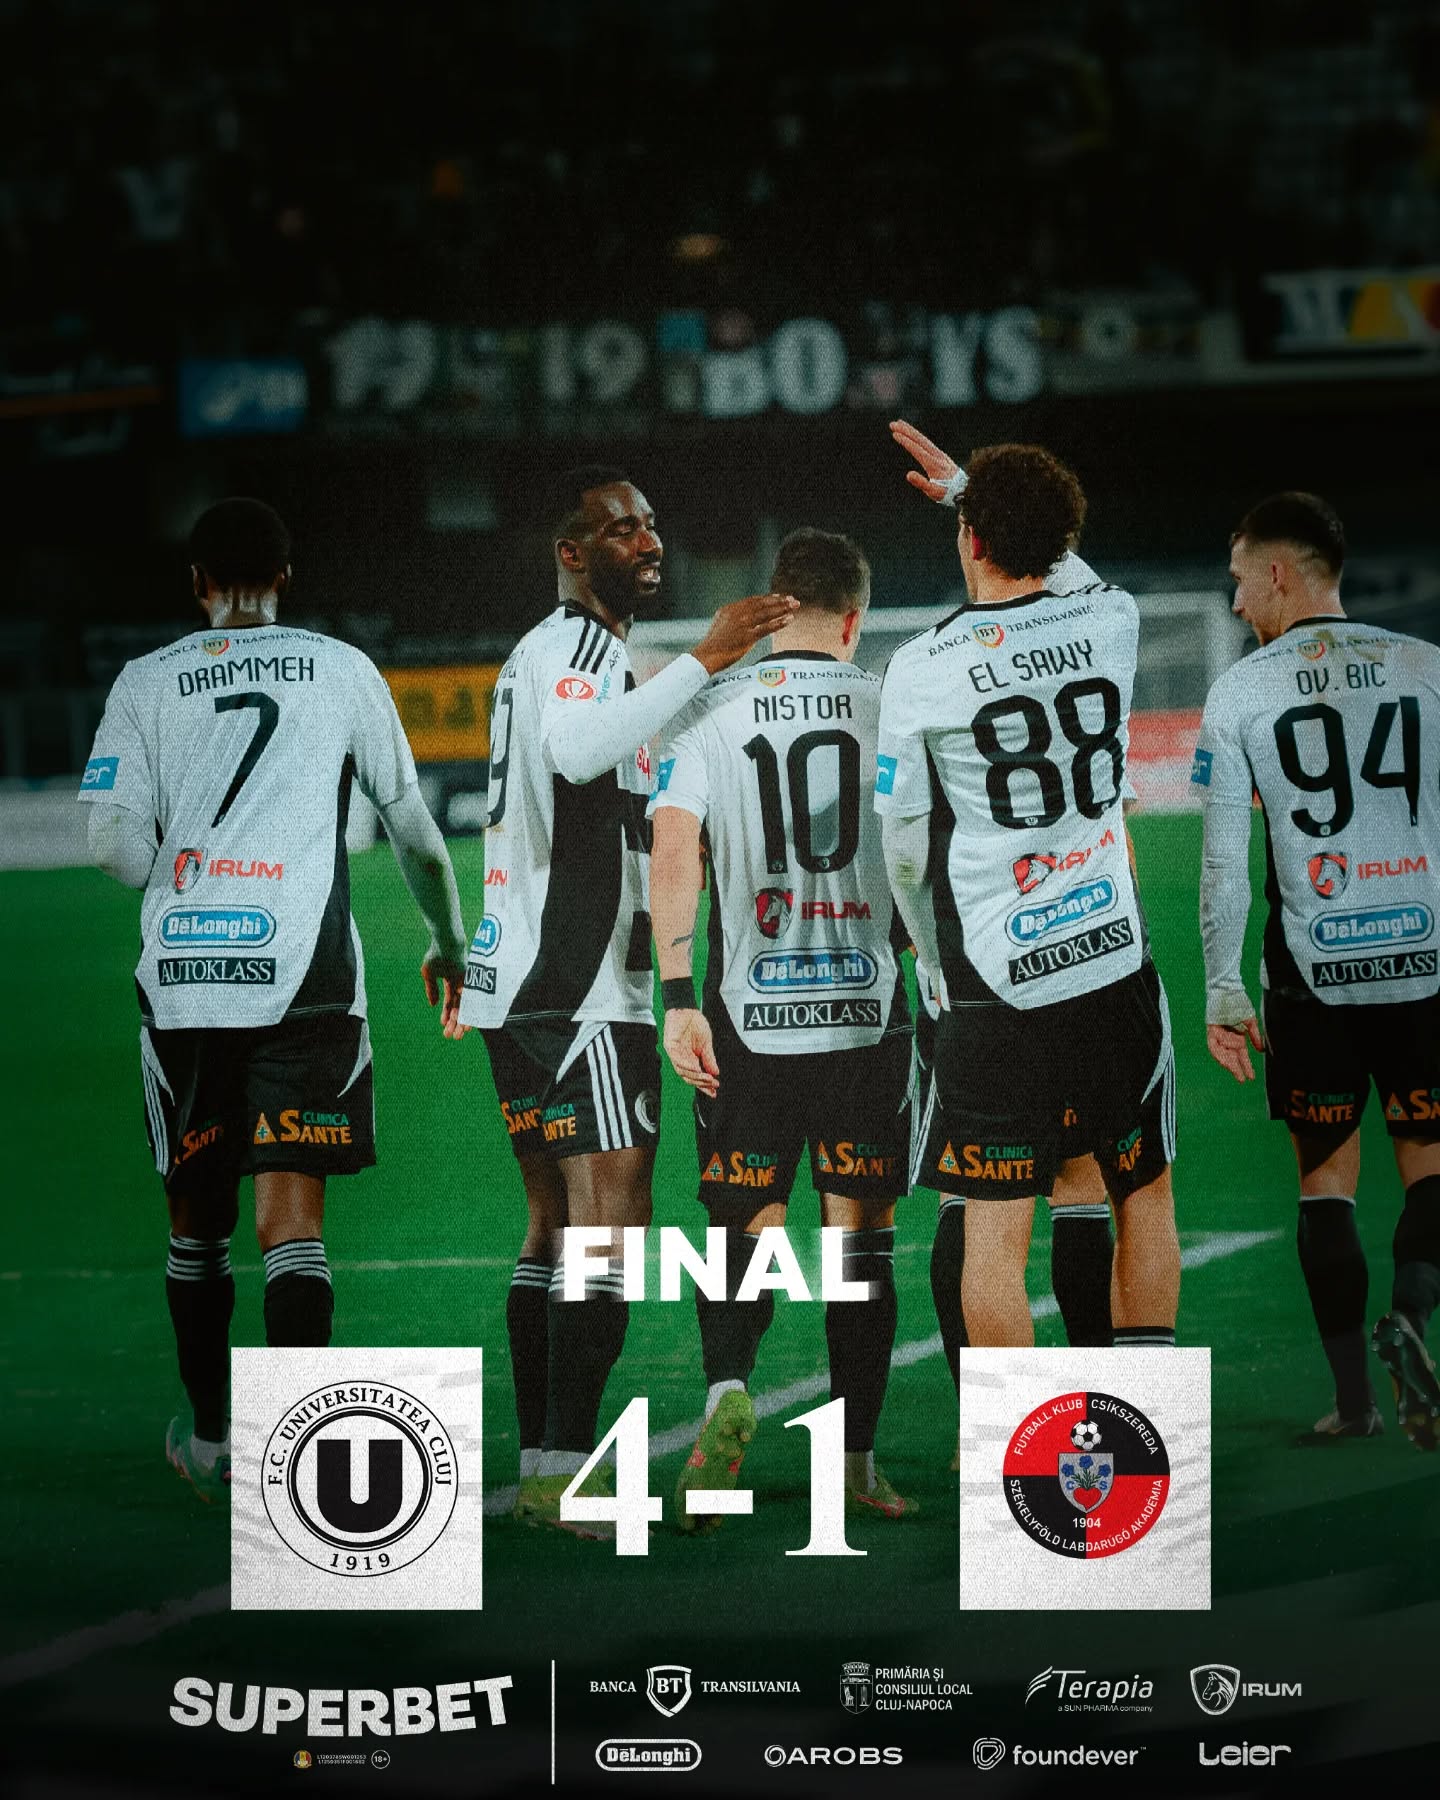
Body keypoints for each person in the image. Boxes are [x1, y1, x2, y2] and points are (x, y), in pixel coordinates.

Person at [79, 497, 467, 1501]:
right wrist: (448, 941)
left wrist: (189, 880)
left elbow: (110, 845)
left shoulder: (144, 681)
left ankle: (212, 1440)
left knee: (196, 1226)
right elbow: (418, 835)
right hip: (306, 972)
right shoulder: (341, 668)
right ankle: (296, 1464)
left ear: (197, 583)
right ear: (287, 579)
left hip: (186, 981)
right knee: (291, 1227)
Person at [446, 466, 796, 1535]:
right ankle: (561, 1471)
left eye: (651, 524)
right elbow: (575, 754)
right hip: (581, 987)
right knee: (609, 1230)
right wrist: (708, 657)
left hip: (523, 976)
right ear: (571, 554)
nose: (648, 541)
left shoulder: (560, 658)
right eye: (620, 530)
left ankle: (543, 1465)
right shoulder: (577, 649)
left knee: (554, 1227)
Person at [877, 422, 1181, 1350]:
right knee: (1143, 1198)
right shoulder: (1112, 618)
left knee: (995, 1240)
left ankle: (1021, 1446)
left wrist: (930, 955)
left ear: (971, 540)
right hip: (1112, 959)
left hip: (994, 979)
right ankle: (1142, 1429)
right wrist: (975, 494)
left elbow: (901, 845)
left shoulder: (920, 666)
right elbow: (1072, 571)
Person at [650, 527, 917, 1527]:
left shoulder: (710, 711)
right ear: (854, 619)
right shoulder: (892, 706)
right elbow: (920, 851)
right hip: (866, 1015)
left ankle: (728, 1391)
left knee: (744, 1223)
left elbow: (673, 847)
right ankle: (855, 1465)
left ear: (774, 611)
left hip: (744, 1015)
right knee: (861, 1241)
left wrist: (679, 994)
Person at [1196, 491, 1440, 1448]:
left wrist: (1222, 986)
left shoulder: (1242, 691)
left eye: (1239, 578)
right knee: (1430, 1168)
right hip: (1425, 966)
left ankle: (1354, 1402)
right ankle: (1410, 1316)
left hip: (1313, 974)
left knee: (1325, 1186)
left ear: (1278, 573)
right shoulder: (1425, 667)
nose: (1233, 600)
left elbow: (1225, 863)